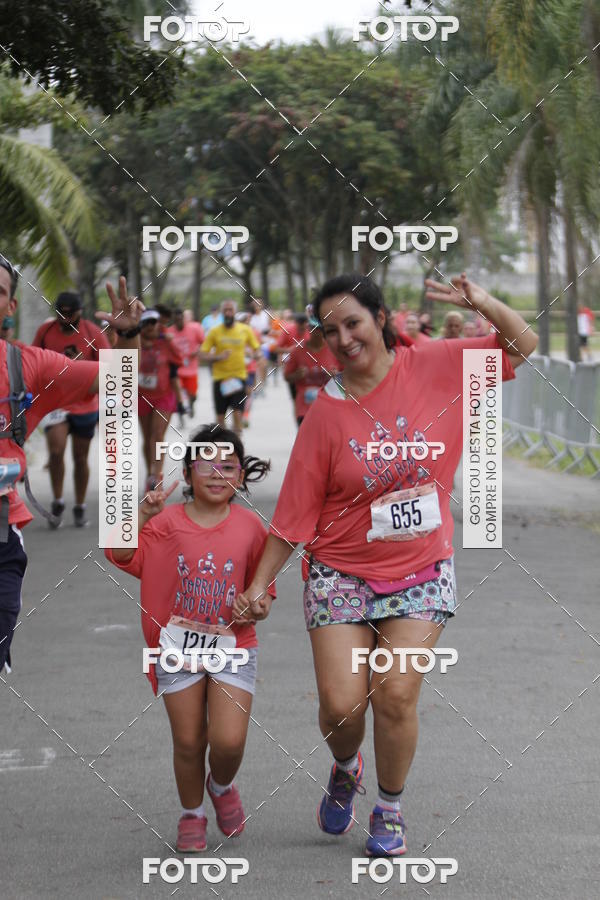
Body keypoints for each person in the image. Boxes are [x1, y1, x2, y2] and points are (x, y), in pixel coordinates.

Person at [233, 271, 537, 857]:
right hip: (340, 573)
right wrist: (257, 585)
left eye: (353, 323)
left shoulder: (440, 364)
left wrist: (482, 301)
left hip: (421, 569)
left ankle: (390, 808)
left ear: (380, 319)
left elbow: (523, 345)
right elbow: (295, 515)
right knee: (342, 707)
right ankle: (346, 766)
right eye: (330, 331)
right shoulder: (327, 413)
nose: (344, 339)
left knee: (395, 694)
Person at [105, 425, 274, 852]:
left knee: (229, 741)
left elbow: (263, 590)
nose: (217, 474)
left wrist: (256, 604)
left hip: (232, 646)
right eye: (206, 465)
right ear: (187, 471)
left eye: (228, 466)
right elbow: (119, 552)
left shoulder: (252, 527)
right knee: (188, 739)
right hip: (174, 647)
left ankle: (220, 785)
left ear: (240, 475)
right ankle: (192, 813)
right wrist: (141, 515)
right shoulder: (165, 523)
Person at [0, 258, 142, 675]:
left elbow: (120, 377)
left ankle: (73, 501)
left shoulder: (25, 366)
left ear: (10, 306)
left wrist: (128, 333)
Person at [32, 291, 111, 527]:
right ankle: (57, 502)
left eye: (70, 314)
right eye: (60, 313)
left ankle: (79, 505)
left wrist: (81, 366)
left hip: (85, 404)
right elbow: (33, 360)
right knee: (56, 452)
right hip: (55, 404)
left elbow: (111, 368)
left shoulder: (92, 333)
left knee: (80, 457)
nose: (65, 318)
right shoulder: (45, 332)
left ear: (80, 312)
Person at [200, 300, 261, 436]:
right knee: (220, 418)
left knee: (237, 414)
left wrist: (256, 355)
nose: (228, 313)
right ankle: (223, 447)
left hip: (239, 377)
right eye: (225, 310)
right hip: (220, 379)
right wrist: (217, 357)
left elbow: (257, 348)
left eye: (230, 310)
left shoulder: (245, 330)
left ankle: (237, 447)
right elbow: (202, 354)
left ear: (235, 312)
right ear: (222, 313)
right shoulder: (214, 331)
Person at [138, 309, 183, 491]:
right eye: (146, 323)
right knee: (147, 437)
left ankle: (157, 476)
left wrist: (180, 399)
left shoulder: (166, 342)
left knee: (157, 436)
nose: (150, 326)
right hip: (141, 395)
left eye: (153, 322)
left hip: (164, 395)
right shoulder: (134, 341)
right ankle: (150, 472)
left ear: (158, 324)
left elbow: (176, 367)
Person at [284, 310, 341, 427]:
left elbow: (350, 375)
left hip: (329, 404)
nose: (317, 333)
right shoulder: (297, 351)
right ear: (309, 329)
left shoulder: (335, 350)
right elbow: (287, 376)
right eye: (313, 328)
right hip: (305, 407)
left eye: (320, 329)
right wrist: (297, 375)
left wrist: (336, 375)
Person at [168, 308, 204, 417]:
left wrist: (197, 351)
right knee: (178, 394)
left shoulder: (195, 329)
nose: (179, 322)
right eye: (176, 320)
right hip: (177, 370)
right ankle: (181, 415)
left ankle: (191, 404)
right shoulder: (169, 332)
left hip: (191, 369)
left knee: (192, 394)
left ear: (184, 319)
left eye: (180, 319)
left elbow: (204, 343)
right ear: (173, 320)